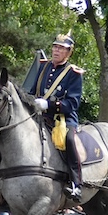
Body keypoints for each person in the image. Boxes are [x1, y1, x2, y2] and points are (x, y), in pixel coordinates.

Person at [31, 33, 84, 199]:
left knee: (69, 140)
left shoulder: (73, 73)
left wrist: (50, 104)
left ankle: (76, 183)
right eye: (55, 46)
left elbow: (72, 104)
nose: (56, 50)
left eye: (61, 48)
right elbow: (32, 91)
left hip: (62, 119)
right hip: (40, 117)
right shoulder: (43, 67)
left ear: (69, 52)